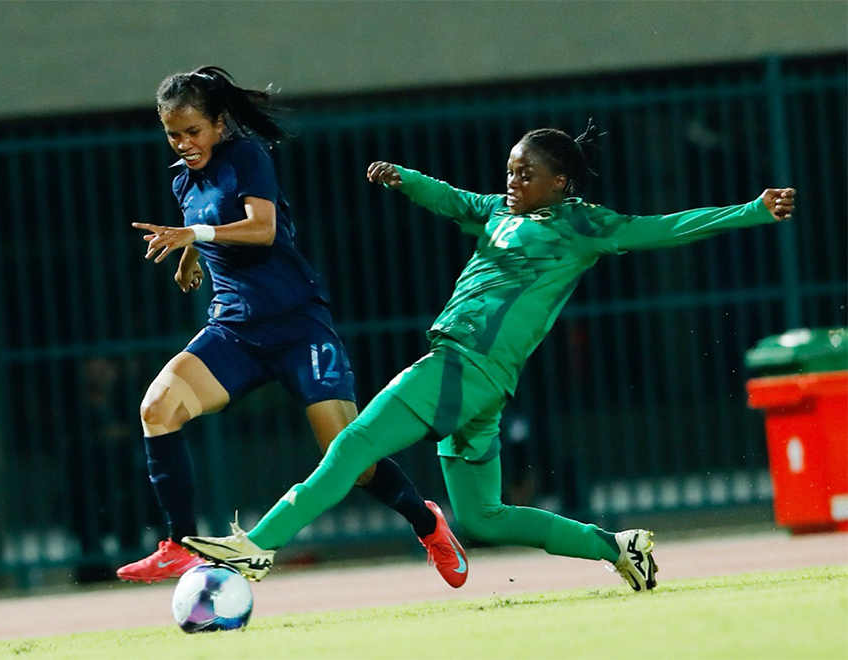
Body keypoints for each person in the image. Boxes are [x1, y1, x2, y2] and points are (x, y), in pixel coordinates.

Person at [183, 121, 796, 592]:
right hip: (478, 382)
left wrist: (751, 210)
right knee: (485, 518)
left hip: (461, 367)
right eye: (510, 171)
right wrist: (406, 178)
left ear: (561, 182)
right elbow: (456, 200)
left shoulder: (583, 226)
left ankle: (256, 546)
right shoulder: (502, 211)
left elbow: (665, 227)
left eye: (526, 174)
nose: (513, 182)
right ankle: (618, 547)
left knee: (353, 446)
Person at [116, 66, 468, 588]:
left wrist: (194, 232)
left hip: (297, 325)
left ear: (218, 124)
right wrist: (191, 252)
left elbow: (261, 229)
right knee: (156, 409)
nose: (184, 143)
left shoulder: (246, 157)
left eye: (193, 131)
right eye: (173, 133)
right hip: (235, 331)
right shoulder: (182, 179)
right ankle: (178, 544)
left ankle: (428, 523)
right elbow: (210, 225)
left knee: (347, 456)